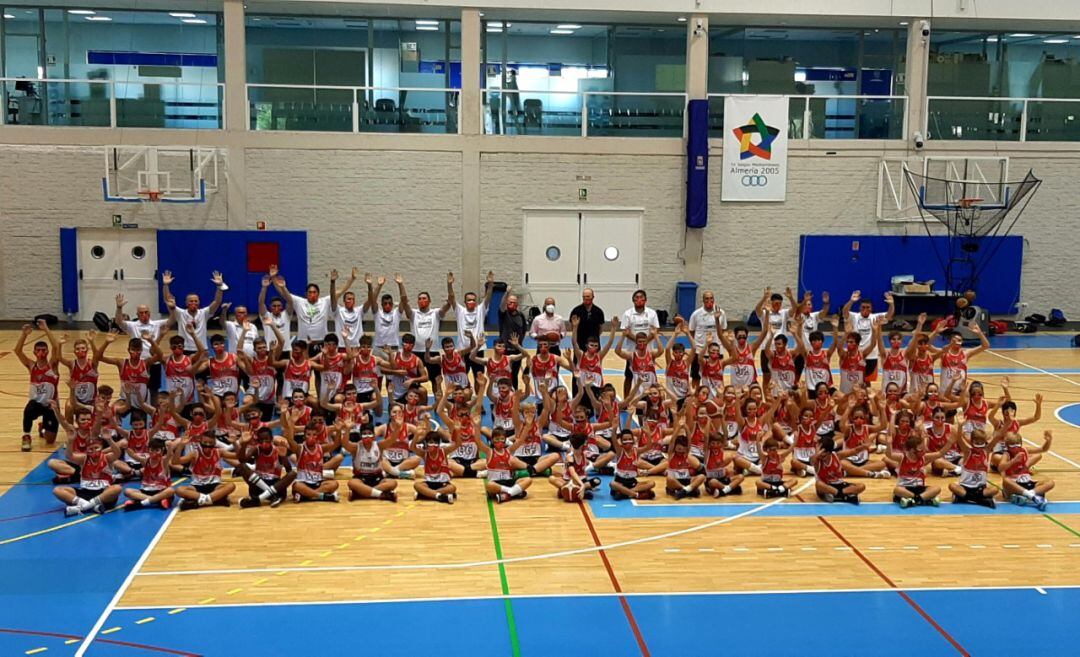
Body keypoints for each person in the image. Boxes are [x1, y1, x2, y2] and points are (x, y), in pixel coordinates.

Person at [406, 273, 455, 396]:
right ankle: (414, 404)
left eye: (424, 298)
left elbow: (449, 303)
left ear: (429, 301)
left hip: (432, 351)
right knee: (414, 381)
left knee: (436, 380)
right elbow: (404, 304)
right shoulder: (413, 313)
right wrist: (401, 285)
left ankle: (439, 405)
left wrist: (449, 285)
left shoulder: (436, 313)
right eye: (420, 298)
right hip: (416, 352)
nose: (422, 300)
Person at [52, 434, 124, 516]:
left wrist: (109, 439)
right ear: (86, 450)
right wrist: (71, 441)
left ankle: (82, 507)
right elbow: (69, 456)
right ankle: (93, 507)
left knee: (117, 488)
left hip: (103, 493)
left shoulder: (107, 457)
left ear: (101, 447)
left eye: (96, 448)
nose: (94, 451)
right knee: (57, 490)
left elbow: (117, 453)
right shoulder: (84, 459)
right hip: (85, 492)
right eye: (90, 449)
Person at [161, 270, 226, 359]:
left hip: (201, 348)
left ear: (199, 302)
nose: (193, 303)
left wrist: (219, 286)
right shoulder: (180, 313)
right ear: (186, 303)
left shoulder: (204, 313)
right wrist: (166, 285)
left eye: (196, 301)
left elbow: (217, 301)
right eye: (191, 301)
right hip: (184, 349)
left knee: (203, 372)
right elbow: (168, 301)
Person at [115, 293, 171, 394]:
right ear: (137, 315)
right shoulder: (132, 326)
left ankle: (153, 409)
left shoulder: (157, 324)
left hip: (154, 362)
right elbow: (119, 322)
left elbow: (173, 320)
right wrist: (119, 308)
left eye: (146, 312)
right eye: (141, 313)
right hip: (138, 363)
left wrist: (172, 307)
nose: (144, 315)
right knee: (138, 390)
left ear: (149, 313)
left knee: (154, 391)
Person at [16, 323, 60, 451]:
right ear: (34, 352)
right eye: (38, 350)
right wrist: (24, 335)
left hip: (51, 405)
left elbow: (56, 347)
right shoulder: (31, 366)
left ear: (47, 351)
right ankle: (26, 436)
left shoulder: (52, 365)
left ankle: (43, 427)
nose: (41, 352)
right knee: (28, 409)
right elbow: (18, 351)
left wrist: (46, 328)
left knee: (50, 441)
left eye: (44, 350)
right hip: (36, 403)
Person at [448, 270, 496, 390]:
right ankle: (464, 402)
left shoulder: (480, 310)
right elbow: (452, 298)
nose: (471, 302)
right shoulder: (460, 311)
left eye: (473, 300)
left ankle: (478, 404)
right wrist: (449, 285)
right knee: (462, 377)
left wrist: (490, 284)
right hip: (463, 350)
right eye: (469, 300)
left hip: (478, 349)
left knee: (478, 377)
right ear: (464, 302)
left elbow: (488, 297)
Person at [281, 412, 341, 503]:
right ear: (304, 436)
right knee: (296, 486)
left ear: (317, 436)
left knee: (334, 484)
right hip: (303, 482)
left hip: (318, 482)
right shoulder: (300, 448)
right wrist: (292, 422)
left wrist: (339, 430)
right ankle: (324, 497)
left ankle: (308, 496)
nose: (311, 437)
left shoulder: (321, 447)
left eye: (314, 435)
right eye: (309, 434)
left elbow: (336, 443)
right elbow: (289, 439)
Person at [840, 290, 895, 381]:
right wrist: (851, 301)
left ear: (871, 308)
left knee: (867, 381)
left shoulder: (875, 317)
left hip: (871, 355)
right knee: (855, 379)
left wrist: (892, 304)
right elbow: (845, 312)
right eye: (863, 307)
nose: (865, 309)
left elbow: (889, 315)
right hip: (856, 355)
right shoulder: (854, 316)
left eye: (868, 307)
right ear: (859, 308)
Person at [232, 426, 293, 508]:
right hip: (259, 483)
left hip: (275, 484)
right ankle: (272, 496)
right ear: (258, 441)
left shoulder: (278, 450)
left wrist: (283, 457)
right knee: (242, 466)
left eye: (266, 439)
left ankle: (258, 499)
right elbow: (242, 460)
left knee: (293, 474)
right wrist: (244, 444)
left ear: (271, 439)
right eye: (261, 440)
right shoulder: (256, 449)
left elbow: (289, 469)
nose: (264, 442)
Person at [175, 432, 238, 509]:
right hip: (197, 487)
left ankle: (199, 501)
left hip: (215, 486)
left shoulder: (219, 452)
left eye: (210, 443)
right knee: (179, 490)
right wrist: (181, 445)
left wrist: (235, 443)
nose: (207, 445)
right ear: (200, 442)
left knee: (231, 486)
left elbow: (239, 456)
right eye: (205, 442)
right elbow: (175, 462)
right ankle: (215, 499)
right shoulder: (195, 453)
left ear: (214, 443)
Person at [948, 427, 1001, 508]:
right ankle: (980, 500)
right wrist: (960, 426)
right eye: (977, 442)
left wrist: (1007, 424)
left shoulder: (986, 452)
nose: (979, 446)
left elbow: (998, 437)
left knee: (995, 489)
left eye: (981, 443)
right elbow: (959, 438)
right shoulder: (967, 452)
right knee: (952, 486)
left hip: (980, 489)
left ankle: (964, 498)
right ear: (972, 442)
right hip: (965, 487)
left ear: (984, 442)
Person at [620, 290, 660, 398]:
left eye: (641, 297)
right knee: (629, 376)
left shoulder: (652, 313)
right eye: (636, 298)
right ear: (633, 300)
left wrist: (644, 341)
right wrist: (639, 340)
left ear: (645, 300)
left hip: (649, 351)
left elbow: (655, 329)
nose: (639, 300)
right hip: (632, 351)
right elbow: (626, 332)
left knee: (650, 376)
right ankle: (626, 400)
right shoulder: (627, 314)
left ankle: (651, 397)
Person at [1001, 430, 1054, 510]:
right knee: (1006, 481)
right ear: (1007, 446)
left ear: (1021, 444)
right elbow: (1000, 467)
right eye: (1012, 446)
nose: (1015, 448)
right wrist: (1014, 460)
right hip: (1014, 484)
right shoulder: (1007, 454)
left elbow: (1043, 449)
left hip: (1027, 482)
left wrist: (1048, 440)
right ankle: (1033, 496)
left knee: (1050, 483)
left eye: (1017, 445)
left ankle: (1029, 494)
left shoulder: (1024, 450)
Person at [891, 432, 944, 508]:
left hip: (919, 488)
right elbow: (888, 454)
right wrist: (888, 444)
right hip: (905, 487)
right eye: (920, 449)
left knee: (937, 489)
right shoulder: (902, 457)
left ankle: (913, 500)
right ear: (912, 450)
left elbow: (940, 454)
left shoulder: (923, 457)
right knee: (897, 490)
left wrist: (950, 442)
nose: (923, 450)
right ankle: (924, 499)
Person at [685, 290, 726, 386]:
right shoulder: (696, 314)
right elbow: (691, 331)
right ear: (703, 300)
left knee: (717, 377)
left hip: (716, 351)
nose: (709, 300)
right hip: (700, 351)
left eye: (711, 298)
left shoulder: (721, 313)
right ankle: (695, 398)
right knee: (696, 377)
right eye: (707, 298)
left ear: (714, 299)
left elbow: (723, 330)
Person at [937, 324, 990, 396]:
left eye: (960, 340)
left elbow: (986, 346)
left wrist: (979, 333)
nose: (957, 342)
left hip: (960, 392)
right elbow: (942, 349)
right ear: (950, 340)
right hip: (945, 392)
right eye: (955, 340)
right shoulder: (944, 353)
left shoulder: (965, 353)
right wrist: (951, 344)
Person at [481, 427, 531, 503]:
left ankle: (507, 495)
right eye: (497, 439)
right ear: (492, 440)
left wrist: (527, 426)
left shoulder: (508, 450)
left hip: (509, 481)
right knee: (489, 485)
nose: (499, 441)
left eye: (502, 439)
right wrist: (476, 425)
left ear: (505, 440)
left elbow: (520, 441)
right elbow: (478, 441)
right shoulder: (489, 452)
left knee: (528, 480)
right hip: (496, 483)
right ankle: (513, 492)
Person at [412, 426, 461, 504]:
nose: (432, 445)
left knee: (452, 488)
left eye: (434, 442)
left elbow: (458, 444)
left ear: (438, 444)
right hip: (429, 483)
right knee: (416, 485)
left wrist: (457, 431)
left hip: (443, 483)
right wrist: (416, 435)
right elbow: (412, 447)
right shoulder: (424, 454)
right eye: (430, 442)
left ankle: (426, 495)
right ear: (426, 443)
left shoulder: (443, 451)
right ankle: (439, 496)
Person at [755, 288, 791, 391]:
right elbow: (757, 309)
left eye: (780, 304)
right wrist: (764, 297)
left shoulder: (784, 313)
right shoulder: (765, 313)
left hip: (781, 350)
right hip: (766, 349)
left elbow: (794, 310)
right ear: (771, 303)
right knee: (766, 377)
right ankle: (766, 399)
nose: (778, 306)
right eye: (775, 303)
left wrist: (791, 298)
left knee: (781, 376)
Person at [813, 436, 866, 504]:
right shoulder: (817, 461)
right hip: (827, 487)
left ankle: (839, 496)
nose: (821, 455)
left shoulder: (837, 455)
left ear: (829, 452)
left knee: (861, 486)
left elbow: (854, 451)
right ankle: (845, 496)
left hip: (840, 485)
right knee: (818, 484)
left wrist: (864, 446)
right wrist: (819, 452)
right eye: (820, 452)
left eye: (823, 454)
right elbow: (813, 458)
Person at [610, 429, 657, 501]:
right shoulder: (620, 451)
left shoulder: (636, 451)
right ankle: (636, 495)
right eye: (625, 439)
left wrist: (648, 434)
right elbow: (614, 439)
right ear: (621, 441)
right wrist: (614, 429)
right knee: (612, 484)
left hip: (632, 482)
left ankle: (624, 493)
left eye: (629, 439)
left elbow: (648, 446)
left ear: (633, 440)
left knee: (652, 483)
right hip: (620, 481)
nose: (628, 441)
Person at [497, 285, 529, 388]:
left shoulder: (521, 315)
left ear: (517, 304)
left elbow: (524, 330)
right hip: (505, 350)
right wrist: (507, 293)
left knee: (514, 374)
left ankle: (514, 395)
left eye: (513, 302)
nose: (511, 304)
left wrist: (519, 344)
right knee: (504, 373)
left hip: (517, 350)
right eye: (509, 302)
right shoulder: (503, 314)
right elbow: (501, 305)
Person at [370, 274, 408, 353]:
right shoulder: (377, 313)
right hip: (379, 348)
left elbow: (404, 300)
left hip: (393, 348)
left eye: (390, 303)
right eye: (385, 303)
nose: (388, 305)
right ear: (381, 304)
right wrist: (379, 286)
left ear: (392, 304)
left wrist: (400, 284)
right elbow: (373, 300)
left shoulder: (396, 313)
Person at [328, 268, 361, 347]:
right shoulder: (338, 311)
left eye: (353, 299)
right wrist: (332, 282)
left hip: (356, 346)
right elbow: (333, 297)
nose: (351, 301)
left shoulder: (359, 310)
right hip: (342, 346)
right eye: (349, 299)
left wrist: (352, 279)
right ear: (344, 301)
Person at [665, 434, 705, 499]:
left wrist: (686, 427)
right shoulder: (671, 455)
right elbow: (672, 441)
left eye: (683, 449)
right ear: (674, 447)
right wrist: (678, 428)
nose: (680, 451)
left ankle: (684, 491)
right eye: (678, 449)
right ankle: (687, 489)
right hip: (675, 481)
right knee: (669, 479)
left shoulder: (686, 454)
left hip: (686, 480)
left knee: (702, 476)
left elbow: (689, 439)